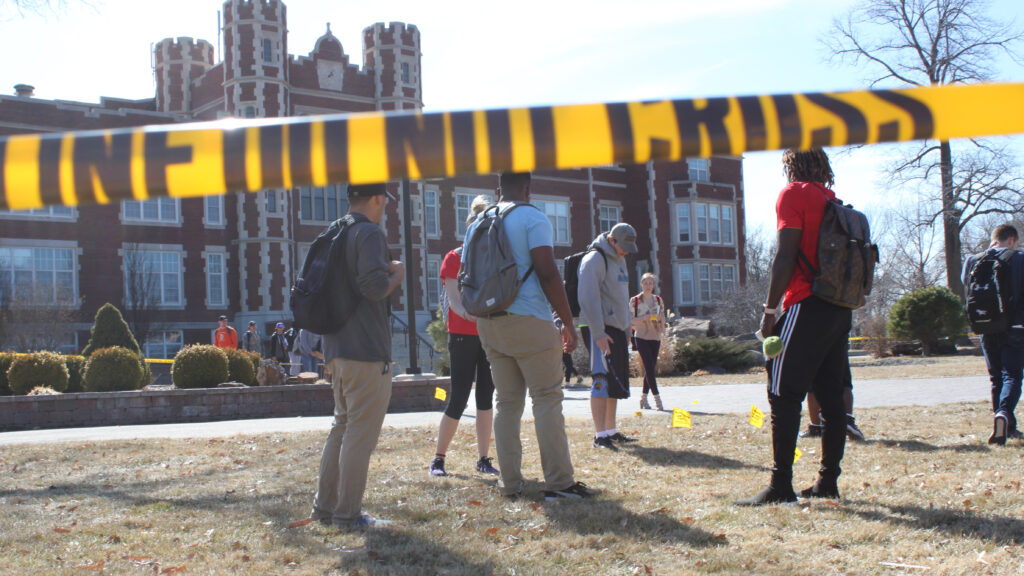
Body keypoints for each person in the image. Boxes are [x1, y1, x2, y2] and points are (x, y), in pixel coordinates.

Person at [737, 148, 852, 506]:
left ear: (791, 166)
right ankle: (827, 482)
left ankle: (780, 486)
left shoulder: (794, 194)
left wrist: (770, 310)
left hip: (806, 303)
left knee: (782, 393)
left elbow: (786, 255)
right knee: (832, 400)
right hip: (838, 308)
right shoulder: (832, 199)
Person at [470, 171, 592, 501]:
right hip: (529, 319)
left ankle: (509, 484)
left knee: (506, 403)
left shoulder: (479, 222)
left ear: (499, 189)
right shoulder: (531, 217)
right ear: (528, 188)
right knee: (547, 398)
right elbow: (548, 272)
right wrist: (567, 321)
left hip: (488, 321)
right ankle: (560, 483)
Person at [310, 182, 404, 529]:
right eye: (385, 202)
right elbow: (374, 288)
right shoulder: (369, 234)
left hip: (336, 348)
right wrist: (396, 275)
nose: (385, 208)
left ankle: (324, 508)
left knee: (342, 427)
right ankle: (348, 514)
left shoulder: (335, 231)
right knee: (359, 435)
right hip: (365, 350)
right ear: (378, 199)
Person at [429, 196, 500, 478]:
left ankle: (484, 458)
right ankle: (438, 459)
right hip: (462, 335)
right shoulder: (453, 257)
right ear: (468, 228)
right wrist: (472, 316)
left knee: (486, 397)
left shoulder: (493, 260)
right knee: (458, 397)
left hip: (488, 335)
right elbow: (454, 300)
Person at [579, 223, 639, 451]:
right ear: (612, 240)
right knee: (601, 380)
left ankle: (611, 431)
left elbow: (621, 296)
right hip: (598, 327)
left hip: (616, 328)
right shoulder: (594, 259)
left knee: (615, 381)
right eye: (622, 246)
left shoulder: (620, 259)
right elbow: (587, 298)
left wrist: (626, 329)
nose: (625, 251)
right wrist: (598, 333)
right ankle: (600, 436)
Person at [962, 224, 1024, 445]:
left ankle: (1008, 428)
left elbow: (966, 284)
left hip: (985, 326)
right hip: (1015, 327)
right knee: (1013, 375)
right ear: (1012, 240)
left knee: (996, 378)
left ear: (993, 239)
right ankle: (1004, 414)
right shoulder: (1018, 258)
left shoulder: (972, 260)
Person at [801, 349, 865, 441]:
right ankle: (847, 420)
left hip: (812, 340)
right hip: (836, 338)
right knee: (843, 381)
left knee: (813, 384)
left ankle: (816, 428)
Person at [631, 272, 667, 411]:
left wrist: (660, 321)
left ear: (653, 285)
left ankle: (643, 399)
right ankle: (658, 399)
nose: (648, 286)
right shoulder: (635, 301)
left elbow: (662, 317)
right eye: (645, 283)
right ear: (641, 284)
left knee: (650, 368)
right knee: (649, 368)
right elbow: (630, 321)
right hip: (641, 337)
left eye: (650, 283)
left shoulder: (658, 300)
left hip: (655, 336)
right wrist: (644, 318)